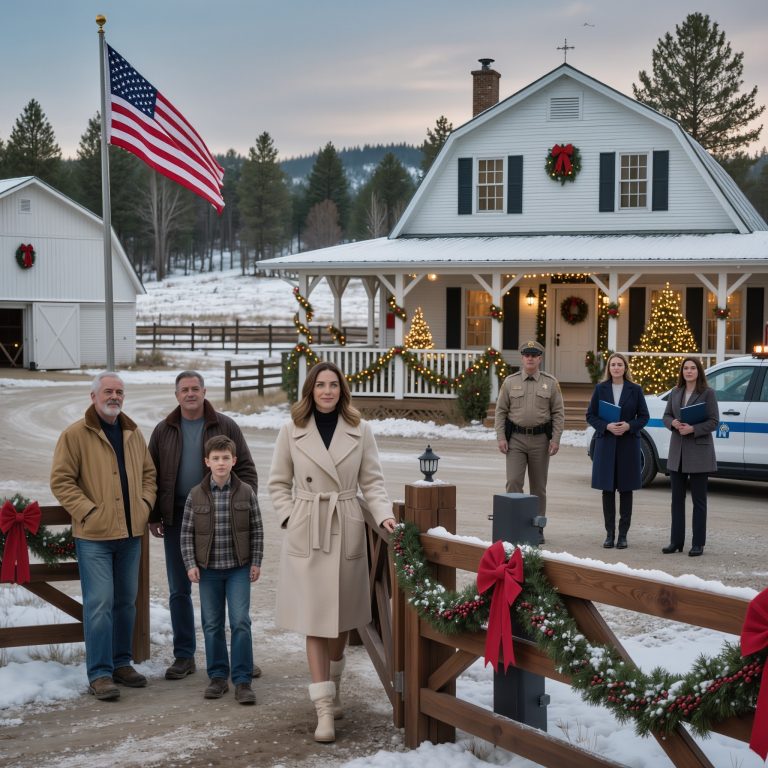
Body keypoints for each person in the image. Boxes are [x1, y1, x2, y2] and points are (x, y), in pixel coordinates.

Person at [268, 361, 395, 744]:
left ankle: (334, 689)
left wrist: (385, 517)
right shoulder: (291, 429)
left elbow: (372, 482)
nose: (327, 391)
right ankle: (324, 709)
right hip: (308, 532)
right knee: (314, 621)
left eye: (333, 385)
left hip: (346, 527)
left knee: (341, 620)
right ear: (310, 390)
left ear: (342, 390)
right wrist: (292, 517)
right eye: (320, 385)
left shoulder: (360, 430)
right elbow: (277, 483)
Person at [50, 371, 156, 701]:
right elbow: (61, 481)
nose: (114, 397)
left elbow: (149, 475)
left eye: (119, 392)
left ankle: (121, 663)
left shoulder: (132, 432)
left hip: (130, 534)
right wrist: (90, 511)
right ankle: (99, 673)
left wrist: (143, 504)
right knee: (99, 605)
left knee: (126, 602)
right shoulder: (75, 434)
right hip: (94, 536)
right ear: (93, 396)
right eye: (108, 391)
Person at [148, 371, 261, 681]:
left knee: (229, 594)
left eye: (195, 388)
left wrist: (239, 505)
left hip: (220, 514)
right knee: (179, 590)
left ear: (204, 391)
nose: (190, 394)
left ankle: (241, 659)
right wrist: (154, 514)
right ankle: (184, 656)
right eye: (184, 389)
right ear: (176, 394)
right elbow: (151, 475)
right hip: (177, 518)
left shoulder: (225, 426)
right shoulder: (163, 431)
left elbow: (248, 470)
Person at [180, 436, 263, 704]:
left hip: (238, 569)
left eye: (225, 458)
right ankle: (217, 676)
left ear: (234, 461)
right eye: (215, 458)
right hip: (209, 571)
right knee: (212, 623)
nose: (220, 463)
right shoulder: (196, 494)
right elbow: (186, 534)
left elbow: (257, 530)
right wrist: (191, 564)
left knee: (240, 621)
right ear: (207, 462)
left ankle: (242, 680)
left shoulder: (245, 491)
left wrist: (256, 561)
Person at [494, 340, 565, 537]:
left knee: (538, 487)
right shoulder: (510, 382)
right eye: (527, 355)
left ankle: (537, 527)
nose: (530, 358)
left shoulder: (550, 383)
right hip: (515, 439)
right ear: (522, 358)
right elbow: (500, 412)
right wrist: (501, 437)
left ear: (540, 358)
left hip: (541, 441)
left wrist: (556, 438)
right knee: (514, 482)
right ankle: (513, 525)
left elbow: (558, 413)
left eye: (534, 355)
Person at [586, 353, 649, 549]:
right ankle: (609, 534)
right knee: (607, 490)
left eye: (619, 364)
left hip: (628, 444)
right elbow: (591, 415)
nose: (616, 368)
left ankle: (623, 535)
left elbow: (644, 416)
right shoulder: (600, 388)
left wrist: (629, 426)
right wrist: (606, 426)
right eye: (613, 364)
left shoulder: (635, 389)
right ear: (609, 368)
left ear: (625, 368)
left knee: (626, 490)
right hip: (606, 444)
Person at [662, 357, 719, 557]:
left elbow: (714, 421)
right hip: (677, 453)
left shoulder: (708, 393)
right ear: (682, 371)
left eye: (692, 368)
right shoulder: (676, 392)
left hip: (699, 453)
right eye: (685, 368)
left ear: (698, 371)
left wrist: (693, 429)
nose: (688, 371)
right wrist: (674, 424)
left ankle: (698, 544)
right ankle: (676, 542)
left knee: (699, 501)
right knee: (676, 500)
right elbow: (666, 415)